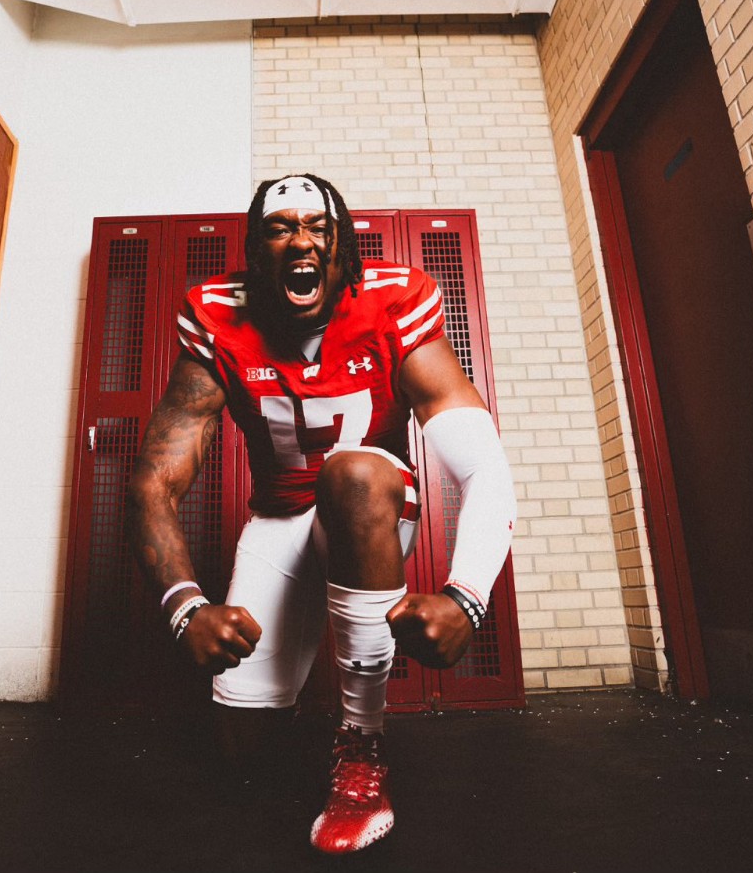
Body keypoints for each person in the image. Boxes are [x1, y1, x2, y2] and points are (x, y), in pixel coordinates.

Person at [125, 174, 517, 854]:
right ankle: (299, 710)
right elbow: (154, 480)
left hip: (371, 501)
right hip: (278, 519)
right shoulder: (218, 315)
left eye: (318, 228)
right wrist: (186, 607)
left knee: (351, 472)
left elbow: (483, 463)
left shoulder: (395, 302)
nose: (301, 241)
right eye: (280, 229)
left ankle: (363, 746)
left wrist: (467, 598)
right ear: (255, 253)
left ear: (345, 252)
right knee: (243, 750)